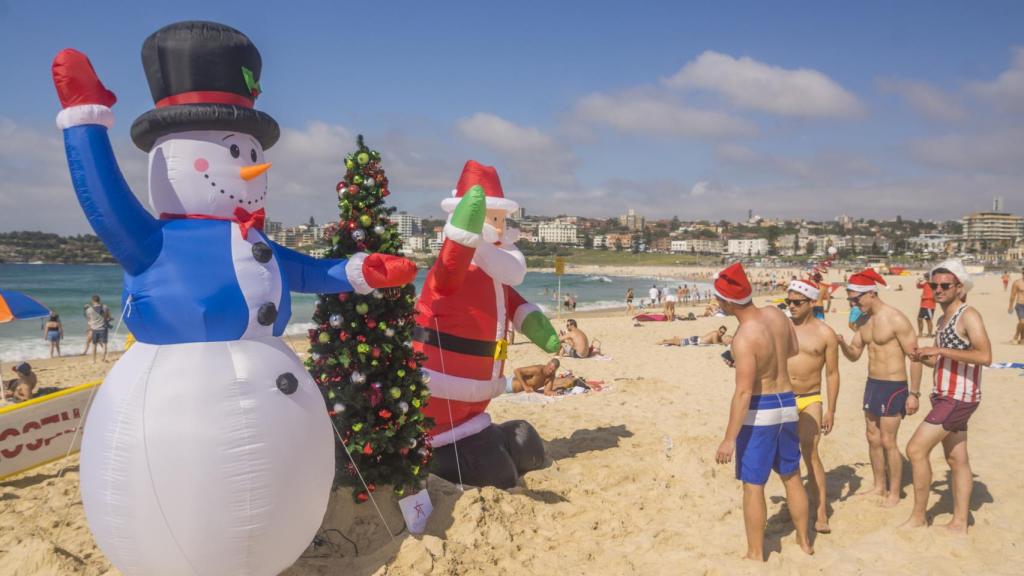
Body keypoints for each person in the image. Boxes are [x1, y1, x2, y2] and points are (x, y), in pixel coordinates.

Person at [713, 263, 813, 561]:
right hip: (788, 402)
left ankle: (756, 553)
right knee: (792, 476)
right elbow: (793, 349)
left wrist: (729, 439)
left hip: (762, 409)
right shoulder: (776, 314)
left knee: (753, 485)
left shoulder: (743, 337)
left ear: (730, 302)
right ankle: (805, 541)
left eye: (719, 300)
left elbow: (743, 393)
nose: (718, 304)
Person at [902, 260, 990, 533]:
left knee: (915, 449)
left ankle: (919, 516)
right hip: (944, 395)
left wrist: (940, 352)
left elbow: (984, 356)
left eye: (944, 285)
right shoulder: (942, 320)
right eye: (933, 285)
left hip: (958, 396)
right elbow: (947, 362)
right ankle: (960, 522)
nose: (937, 290)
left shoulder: (968, 315)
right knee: (957, 459)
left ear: (959, 288)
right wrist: (924, 356)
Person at [838, 268, 922, 507]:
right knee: (872, 437)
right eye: (850, 299)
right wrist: (843, 344)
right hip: (872, 384)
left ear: (871, 293)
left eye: (856, 298)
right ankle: (879, 486)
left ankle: (895, 492)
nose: (853, 303)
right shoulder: (862, 321)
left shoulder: (895, 318)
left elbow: (915, 357)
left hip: (894, 385)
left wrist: (914, 394)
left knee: (888, 440)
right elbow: (855, 355)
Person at [785, 280, 840, 533]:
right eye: (789, 302)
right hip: (783, 397)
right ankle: (795, 504)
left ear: (811, 303)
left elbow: (832, 373)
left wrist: (831, 409)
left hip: (810, 398)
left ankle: (820, 512)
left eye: (797, 302)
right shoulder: (782, 328)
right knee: (785, 455)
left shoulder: (825, 333)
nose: (792, 306)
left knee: (811, 452)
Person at [84, 295, 112, 362]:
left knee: (94, 345)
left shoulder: (89, 310)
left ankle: (94, 360)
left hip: (94, 329)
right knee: (104, 344)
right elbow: (109, 317)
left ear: (92, 301)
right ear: (99, 300)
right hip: (103, 328)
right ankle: (103, 359)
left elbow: (89, 320)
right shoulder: (105, 307)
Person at [658, 326, 728, 346]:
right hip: (696, 341)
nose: (721, 333)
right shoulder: (715, 333)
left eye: (723, 333)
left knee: (680, 341)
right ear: (718, 330)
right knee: (679, 343)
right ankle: (663, 342)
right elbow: (715, 343)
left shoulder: (718, 335)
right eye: (721, 331)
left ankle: (671, 340)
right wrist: (723, 343)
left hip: (696, 340)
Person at [1010, 268, 1024, 344]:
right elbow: (1013, 295)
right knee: (1022, 322)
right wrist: (1010, 306)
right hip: (1020, 305)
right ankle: (1016, 335)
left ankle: (1022, 339)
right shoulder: (1017, 283)